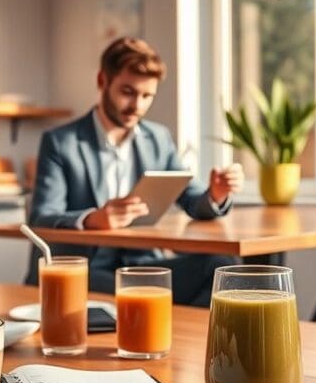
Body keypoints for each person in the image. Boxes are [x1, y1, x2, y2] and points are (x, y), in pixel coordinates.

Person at [26, 37, 243, 306]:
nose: (137, 106)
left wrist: (216, 194)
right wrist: (93, 219)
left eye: (147, 96)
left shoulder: (158, 138)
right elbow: (41, 216)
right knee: (150, 292)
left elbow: (191, 197)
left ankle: (197, 345)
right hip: (87, 271)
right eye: (127, 92)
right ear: (102, 81)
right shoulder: (61, 142)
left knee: (223, 267)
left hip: (143, 267)